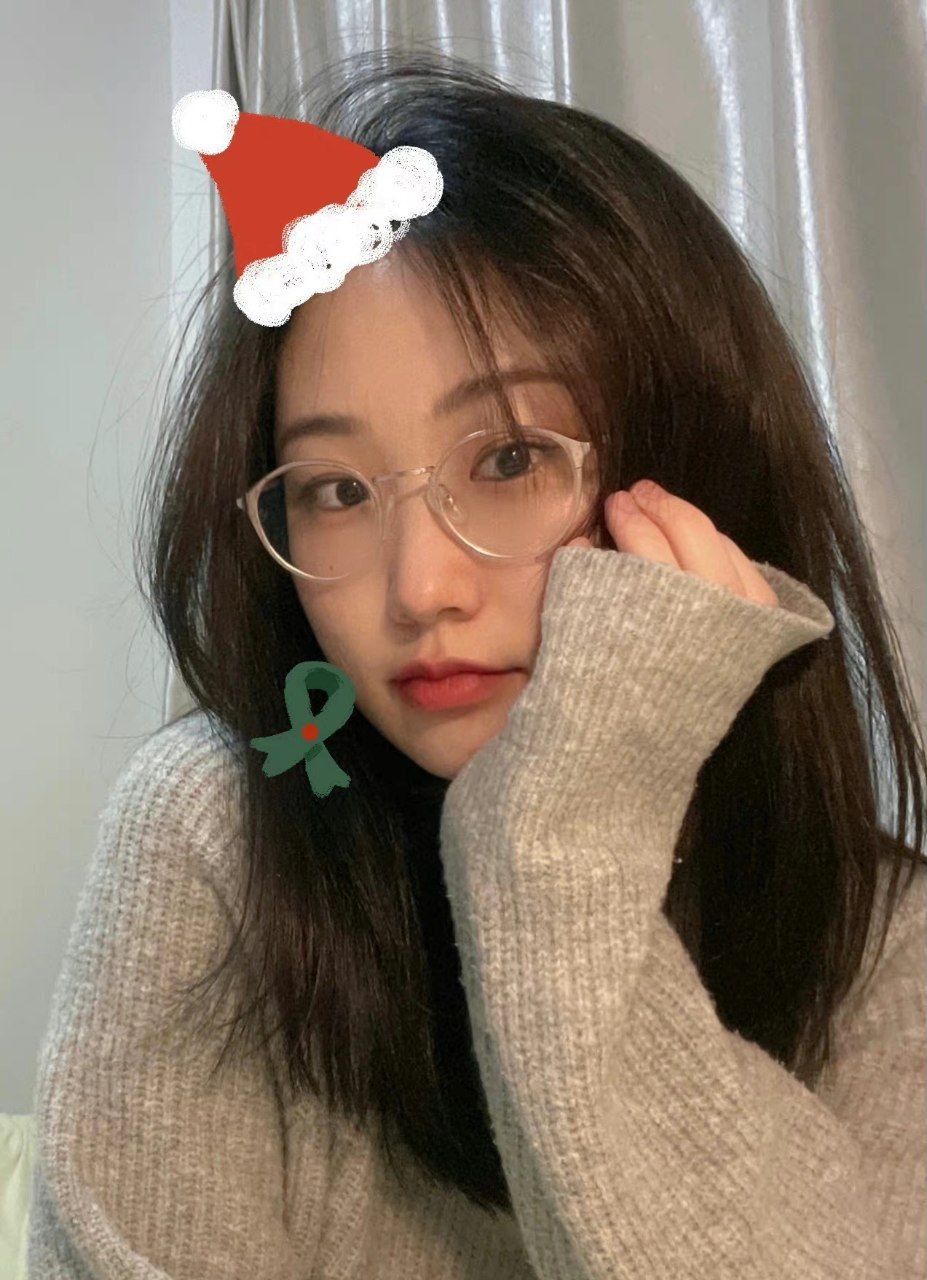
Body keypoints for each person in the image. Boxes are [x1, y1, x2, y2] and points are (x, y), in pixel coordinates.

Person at [28, 48, 925, 1280]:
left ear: (703, 476)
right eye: (336, 489)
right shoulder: (219, 839)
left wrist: (562, 834)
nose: (419, 588)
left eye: (508, 459)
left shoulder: (887, 944)